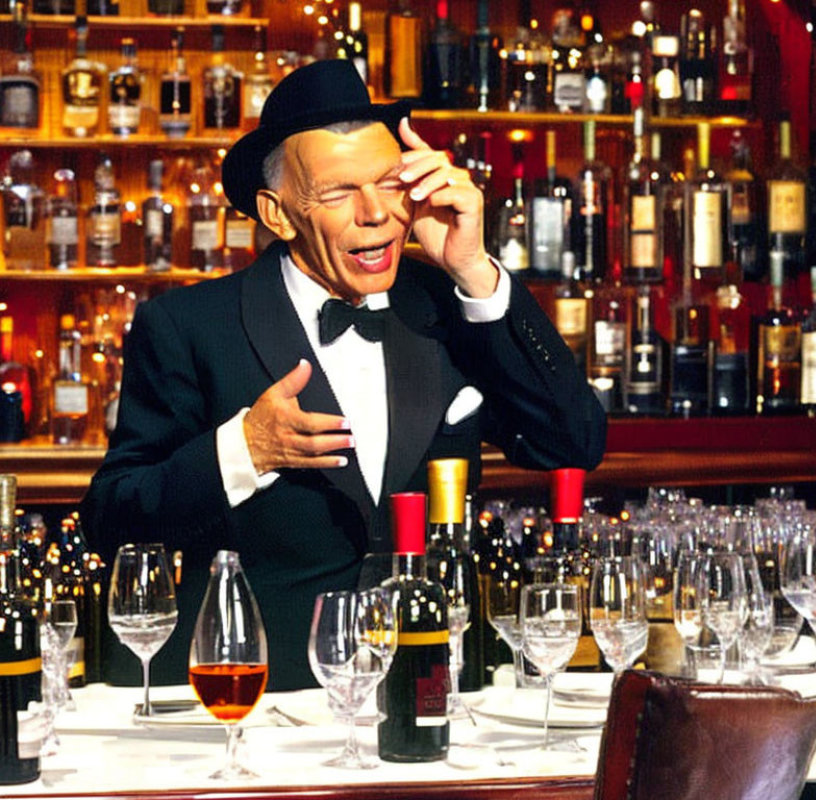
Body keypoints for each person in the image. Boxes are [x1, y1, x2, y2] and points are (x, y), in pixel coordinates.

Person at [82, 60, 606, 691]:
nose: (375, 213)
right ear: (278, 215)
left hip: (425, 690)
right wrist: (242, 451)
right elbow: (112, 519)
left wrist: (476, 273)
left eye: (390, 184)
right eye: (338, 192)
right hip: (259, 701)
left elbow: (572, 441)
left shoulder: (449, 305)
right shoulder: (186, 324)